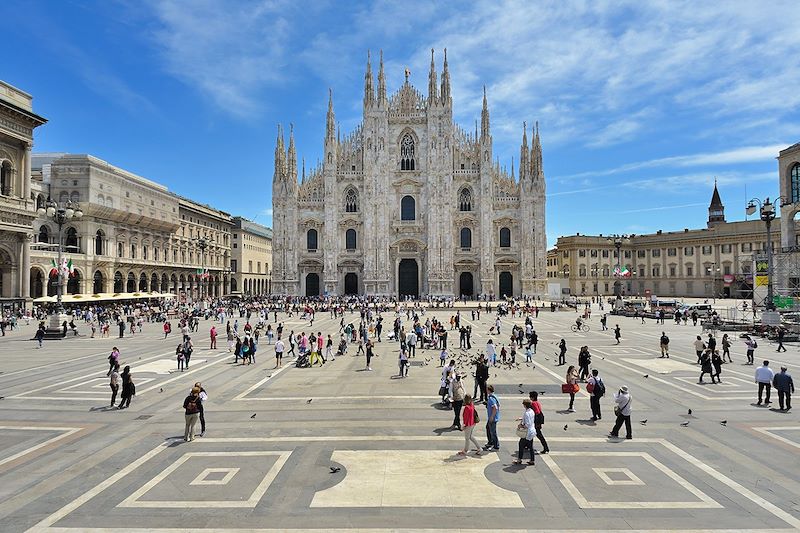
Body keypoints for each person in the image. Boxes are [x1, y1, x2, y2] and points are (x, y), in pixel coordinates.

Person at [514, 398, 536, 465]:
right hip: (532, 431)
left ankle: (519, 460)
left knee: (521, 445)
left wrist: (521, 426)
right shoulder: (531, 411)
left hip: (527, 432)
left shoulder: (526, 413)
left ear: (525, 405)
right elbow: (530, 420)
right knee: (530, 446)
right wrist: (521, 418)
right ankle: (532, 460)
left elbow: (527, 424)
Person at [483, 385, 501, 451]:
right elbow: (498, 405)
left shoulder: (491, 398)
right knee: (488, 428)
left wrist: (492, 417)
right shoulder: (495, 396)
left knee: (493, 432)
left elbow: (495, 407)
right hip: (493, 417)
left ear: (488, 390)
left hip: (492, 418)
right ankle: (490, 442)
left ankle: (496, 446)